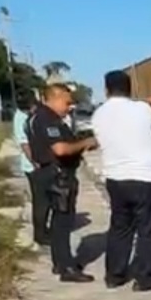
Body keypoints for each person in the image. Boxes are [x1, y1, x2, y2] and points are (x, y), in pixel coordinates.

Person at [93, 69, 151, 292]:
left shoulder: (99, 114)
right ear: (130, 89)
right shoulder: (142, 109)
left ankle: (114, 276)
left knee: (120, 227)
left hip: (115, 179)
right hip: (144, 177)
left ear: (106, 90)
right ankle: (145, 278)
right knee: (148, 230)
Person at [27, 84, 99, 283]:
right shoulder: (47, 118)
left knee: (59, 222)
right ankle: (66, 267)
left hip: (48, 172)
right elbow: (60, 149)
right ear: (53, 98)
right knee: (63, 222)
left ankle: (60, 263)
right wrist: (85, 143)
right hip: (58, 175)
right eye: (67, 102)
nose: (69, 106)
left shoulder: (36, 117)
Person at [13, 89, 48, 245]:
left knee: (44, 200)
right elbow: (24, 144)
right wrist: (35, 162)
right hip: (33, 166)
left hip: (34, 164)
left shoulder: (26, 116)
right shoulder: (21, 119)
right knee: (41, 201)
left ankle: (43, 229)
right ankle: (40, 235)